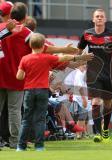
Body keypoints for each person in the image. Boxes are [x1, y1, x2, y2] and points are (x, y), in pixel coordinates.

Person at [0, 2, 79, 149]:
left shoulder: (1, 29)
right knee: (14, 112)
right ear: (25, 18)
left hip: (0, 76)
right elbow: (44, 47)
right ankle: (14, 142)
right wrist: (65, 49)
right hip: (16, 79)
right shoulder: (24, 32)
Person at [16, 33, 93, 151]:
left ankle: (20, 146)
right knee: (40, 119)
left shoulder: (24, 59)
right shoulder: (47, 58)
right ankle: (39, 146)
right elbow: (63, 58)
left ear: (30, 45)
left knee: (26, 119)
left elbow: (19, 77)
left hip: (29, 91)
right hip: (42, 90)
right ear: (43, 46)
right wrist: (79, 57)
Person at [78, 8, 112, 143]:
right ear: (93, 19)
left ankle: (106, 129)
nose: (99, 18)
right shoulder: (86, 34)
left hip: (108, 73)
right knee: (96, 101)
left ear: (105, 19)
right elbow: (79, 50)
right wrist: (79, 63)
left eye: (102, 16)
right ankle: (97, 133)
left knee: (108, 103)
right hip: (93, 73)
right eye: (97, 16)